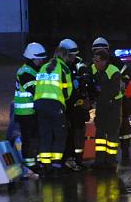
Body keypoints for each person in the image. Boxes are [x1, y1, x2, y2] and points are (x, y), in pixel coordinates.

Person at [91, 37, 131, 166]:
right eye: (96, 50)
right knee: (102, 131)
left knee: (120, 126)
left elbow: (126, 73)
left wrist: (123, 83)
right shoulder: (93, 65)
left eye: (101, 50)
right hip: (103, 102)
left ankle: (123, 150)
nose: (99, 52)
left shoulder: (115, 63)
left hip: (116, 100)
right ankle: (102, 159)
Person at [34, 47, 72, 176]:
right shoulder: (64, 69)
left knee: (45, 134)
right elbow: (67, 92)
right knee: (60, 134)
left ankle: (45, 165)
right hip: (55, 105)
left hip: (40, 104)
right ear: (65, 56)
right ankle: (56, 165)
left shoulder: (44, 67)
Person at [14, 42, 47, 172]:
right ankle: (29, 164)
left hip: (32, 111)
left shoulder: (34, 70)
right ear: (31, 57)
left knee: (36, 137)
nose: (41, 60)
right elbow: (35, 89)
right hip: (25, 112)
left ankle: (36, 162)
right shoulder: (25, 72)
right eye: (39, 58)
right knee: (29, 138)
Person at [59, 38, 89, 171]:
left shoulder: (77, 63)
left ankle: (77, 159)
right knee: (66, 133)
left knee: (78, 132)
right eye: (71, 55)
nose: (73, 58)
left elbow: (85, 74)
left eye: (74, 55)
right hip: (65, 105)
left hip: (76, 105)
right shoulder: (59, 66)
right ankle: (66, 159)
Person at [91, 48, 122, 168]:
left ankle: (111, 160)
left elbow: (113, 91)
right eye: (94, 60)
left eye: (97, 61)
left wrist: (98, 95)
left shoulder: (113, 71)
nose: (95, 63)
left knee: (112, 132)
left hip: (113, 104)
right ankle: (99, 160)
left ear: (104, 61)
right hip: (101, 103)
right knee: (100, 132)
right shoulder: (93, 68)